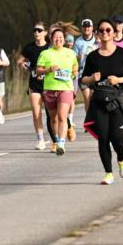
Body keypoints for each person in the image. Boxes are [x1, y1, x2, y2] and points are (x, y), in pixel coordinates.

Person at [81, 19, 123, 184]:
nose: (104, 33)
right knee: (103, 137)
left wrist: (118, 79)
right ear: (97, 33)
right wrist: (91, 78)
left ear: (113, 33)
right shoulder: (92, 56)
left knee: (118, 139)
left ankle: (121, 158)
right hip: (99, 100)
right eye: (101, 30)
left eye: (108, 30)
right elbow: (83, 79)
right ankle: (108, 173)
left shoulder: (122, 53)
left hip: (118, 100)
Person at [36, 25, 79, 156]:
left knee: (62, 116)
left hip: (65, 89)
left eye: (60, 37)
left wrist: (74, 73)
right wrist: (49, 70)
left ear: (64, 39)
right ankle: (55, 139)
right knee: (53, 118)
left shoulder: (70, 52)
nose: (58, 40)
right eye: (55, 38)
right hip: (49, 89)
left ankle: (61, 143)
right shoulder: (45, 53)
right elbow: (38, 70)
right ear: (51, 39)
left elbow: (75, 66)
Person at [17, 22, 55, 151]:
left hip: (49, 84)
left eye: (39, 30)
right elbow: (19, 60)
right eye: (35, 30)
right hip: (34, 84)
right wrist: (22, 64)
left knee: (52, 114)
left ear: (45, 33)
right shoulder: (29, 47)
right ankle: (40, 140)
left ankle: (56, 138)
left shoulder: (50, 48)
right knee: (36, 112)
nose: (36, 33)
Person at [73, 19, 98, 113]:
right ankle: (89, 123)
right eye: (84, 26)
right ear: (82, 28)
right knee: (87, 98)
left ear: (92, 28)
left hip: (96, 73)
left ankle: (96, 120)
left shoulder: (97, 40)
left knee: (94, 97)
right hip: (83, 73)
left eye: (88, 26)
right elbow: (74, 58)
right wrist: (78, 57)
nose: (86, 28)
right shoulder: (78, 42)